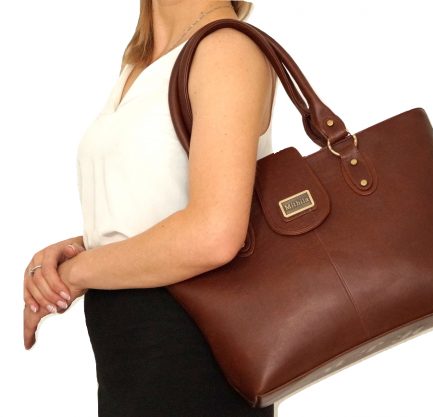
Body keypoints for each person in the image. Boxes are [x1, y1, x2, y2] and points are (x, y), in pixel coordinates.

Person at [23, 1, 277, 415]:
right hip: (133, 360)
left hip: (191, 358)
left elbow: (214, 234)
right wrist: (81, 247)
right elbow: (161, 206)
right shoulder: (142, 63)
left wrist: (76, 273)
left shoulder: (224, 48)